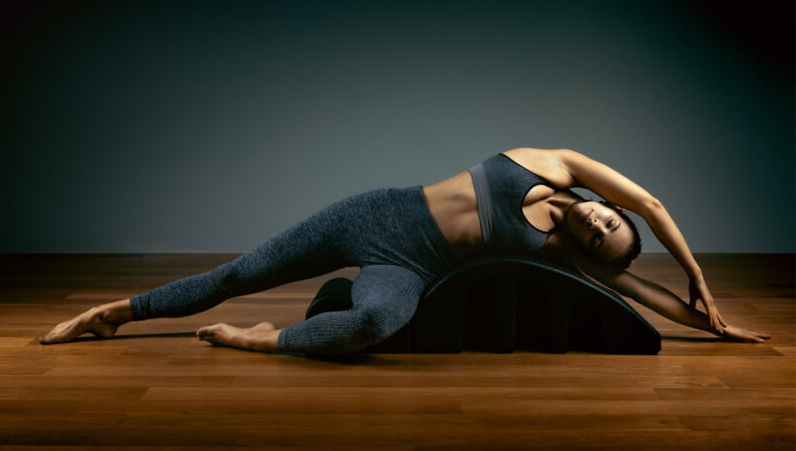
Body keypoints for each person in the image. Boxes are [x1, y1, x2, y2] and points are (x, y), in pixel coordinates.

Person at [39, 147, 771, 353]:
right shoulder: (561, 163)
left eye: (599, 239)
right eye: (604, 221)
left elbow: (643, 296)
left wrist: (706, 317)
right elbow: (655, 204)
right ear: (606, 208)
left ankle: (268, 339)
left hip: (409, 267)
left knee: (375, 325)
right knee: (240, 272)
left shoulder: (570, 253)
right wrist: (700, 271)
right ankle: (114, 313)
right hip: (374, 214)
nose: (594, 225)